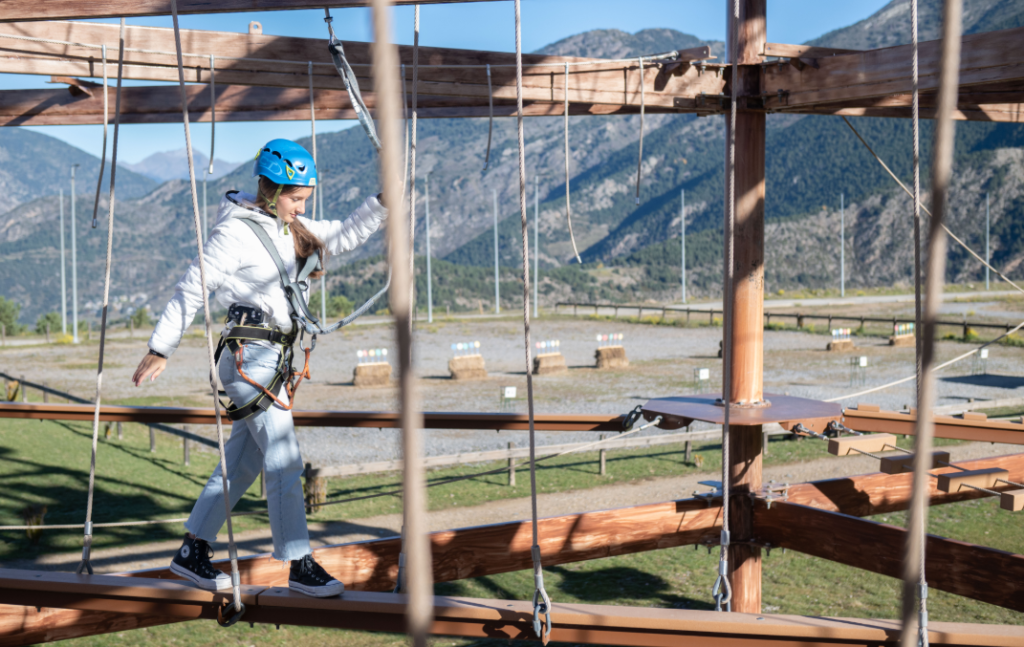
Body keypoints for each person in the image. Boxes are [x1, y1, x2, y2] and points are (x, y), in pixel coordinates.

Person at [131, 139, 387, 598]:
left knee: (246, 461)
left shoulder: (286, 225)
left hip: (270, 359)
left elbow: (345, 235)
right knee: (284, 456)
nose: (300, 208)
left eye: (304, 200)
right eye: (295, 198)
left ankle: (192, 551)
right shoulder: (234, 233)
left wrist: (384, 202)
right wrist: (161, 346)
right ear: (269, 190)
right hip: (249, 358)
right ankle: (298, 563)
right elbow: (193, 289)